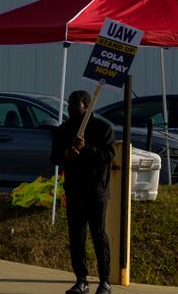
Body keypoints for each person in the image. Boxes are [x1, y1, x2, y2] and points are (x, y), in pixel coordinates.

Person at [51, 89, 116, 294]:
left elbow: (108, 156)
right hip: (74, 190)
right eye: (68, 105)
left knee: (98, 234)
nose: (70, 109)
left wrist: (86, 148)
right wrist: (67, 154)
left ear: (87, 106)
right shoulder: (64, 129)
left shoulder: (102, 127)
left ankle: (105, 280)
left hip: (96, 191)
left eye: (75, 105)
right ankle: (81, 280)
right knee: (77, 236)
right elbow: (54, 157)